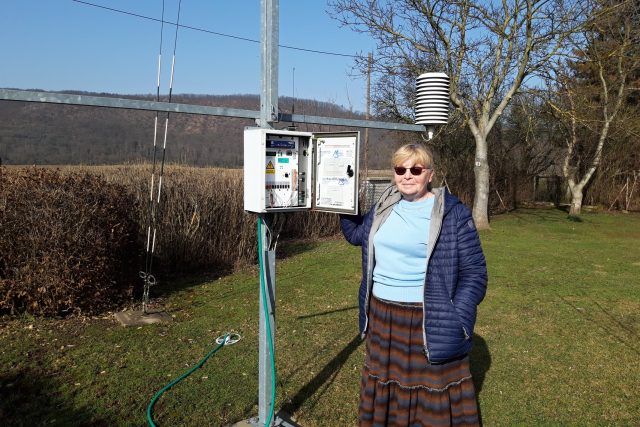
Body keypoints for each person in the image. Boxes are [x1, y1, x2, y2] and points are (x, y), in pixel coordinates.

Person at [341, 143, 487, 426]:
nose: (407, 175)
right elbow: (359, 235)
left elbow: (475, 273)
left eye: (416, 169)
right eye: (400, 169)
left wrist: (459, 316)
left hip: (430, 316)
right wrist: (338, 204)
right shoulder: (385, 204)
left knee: (430, 390)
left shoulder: (452, 214)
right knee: (386, 383)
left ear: (429, 174)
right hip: (383, 315)